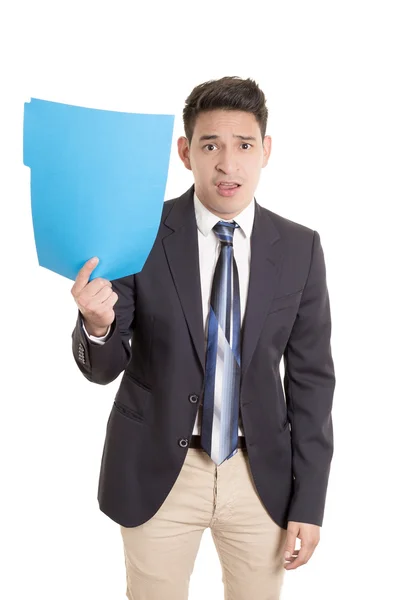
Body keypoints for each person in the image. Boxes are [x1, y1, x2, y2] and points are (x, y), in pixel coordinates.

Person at [71, 76, 335, 600]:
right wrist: (97, 325)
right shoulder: (139, 231)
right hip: (157, 473)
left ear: (267, 151)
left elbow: (311, 382)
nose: (228, 164)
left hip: (260, 478)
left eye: (244, 146)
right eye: (211, 145)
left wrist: (310, 501)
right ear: (185, 152)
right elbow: (103, 367)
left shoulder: (301, 248)